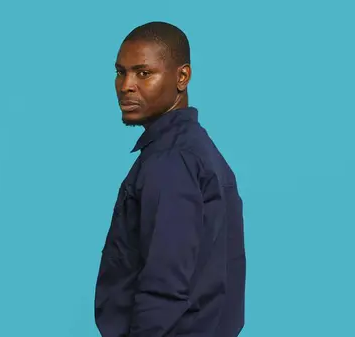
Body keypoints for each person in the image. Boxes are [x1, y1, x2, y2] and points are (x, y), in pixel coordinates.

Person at [94, 21, 246, 337]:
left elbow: (165, 286)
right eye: (120, 72)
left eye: (143, 73)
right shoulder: (198, 151)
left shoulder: (171, 162)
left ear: (182, 77)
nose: (126, 86)